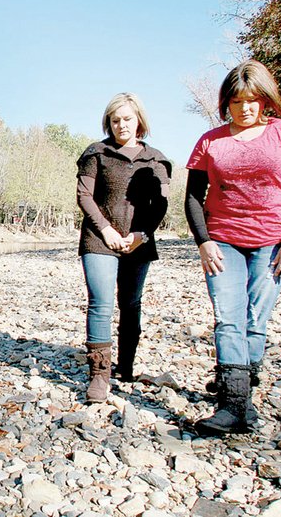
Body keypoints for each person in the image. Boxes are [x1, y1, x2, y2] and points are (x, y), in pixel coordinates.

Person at [184, 59, 281, 434]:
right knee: (229, 317)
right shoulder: (210, 141)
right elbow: (194, 197)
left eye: (253, 100)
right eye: (237, 101)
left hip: (273, 242)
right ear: (226, 102)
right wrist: (204, 241)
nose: (245, 108)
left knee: (255, 320)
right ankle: (233, 407)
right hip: (223, 239)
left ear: (266, 100)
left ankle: (244, 394)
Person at [76, 92, 171, 403]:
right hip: (98, 239)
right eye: (115, 120)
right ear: (108, 122)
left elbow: (160, 204)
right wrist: (105, 229)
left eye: (127, 118)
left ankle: (126, 368)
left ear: (139, 120)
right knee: (100, 304)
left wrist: (141, 234)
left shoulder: (156, 159)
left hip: (139, 242)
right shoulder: (96, 153)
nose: (121, 125)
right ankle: (99, 376)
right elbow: (84, 196)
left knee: (130, 303)